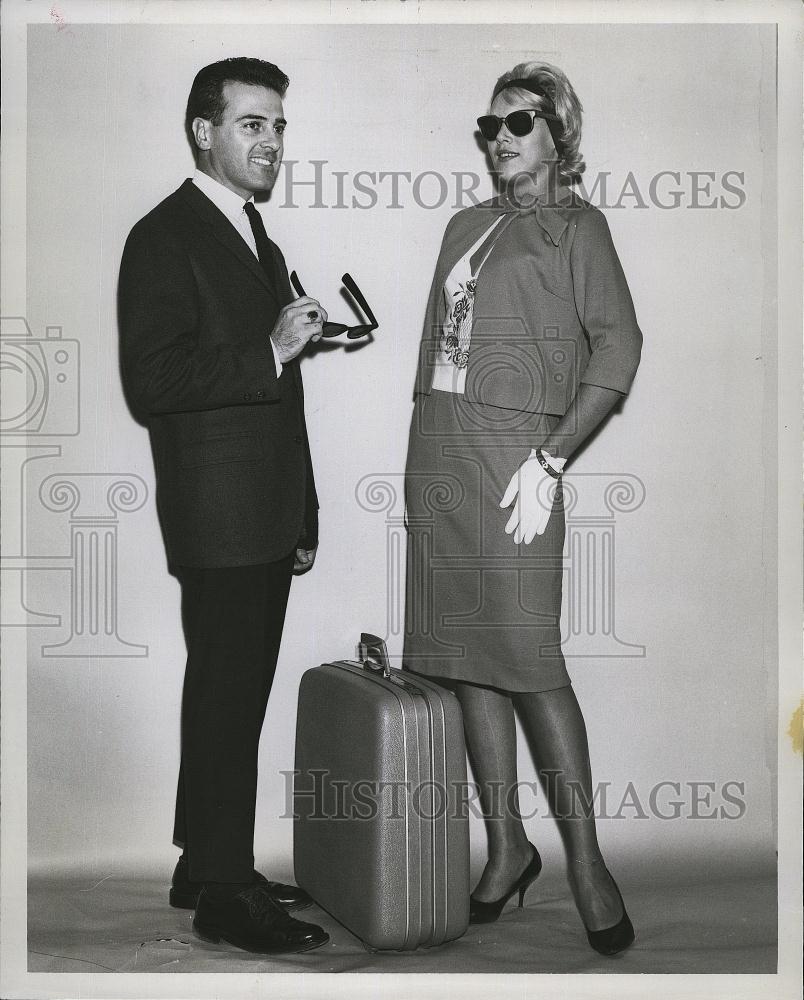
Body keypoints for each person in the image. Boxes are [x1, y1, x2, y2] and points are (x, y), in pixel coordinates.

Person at [402, 61, 642, 956]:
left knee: (530, 659)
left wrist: (549, 461)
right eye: (490, 123)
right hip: (440, 459)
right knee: (466, 659)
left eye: (520, 121)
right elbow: (440, 358)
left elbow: (616, 351)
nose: (500, 137)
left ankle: (586, 863)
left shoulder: (578, 229)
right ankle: (506, 848)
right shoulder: (465, 224)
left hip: (514, 470)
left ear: (559, 134)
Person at [118, 57, 331, 955]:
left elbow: (277, 390)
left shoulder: (254, 236)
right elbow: (153, 379)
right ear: (204, 131)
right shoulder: (164, 235)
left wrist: (305, 505)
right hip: (219, 512)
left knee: (225, 690)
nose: (271, 143)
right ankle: (222, 893)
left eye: (279, 126)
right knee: (228, 695)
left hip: (260, 507)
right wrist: (272, 349)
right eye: (252, 124)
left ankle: (201, 862)